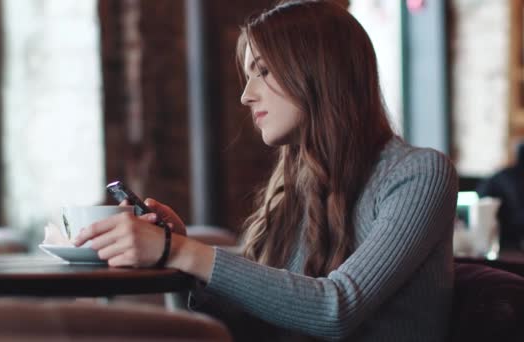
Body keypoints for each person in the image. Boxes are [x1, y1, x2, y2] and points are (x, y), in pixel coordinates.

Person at [74, 1, 458, 340]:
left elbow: (336, 309)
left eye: (263, 72)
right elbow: (244, 327)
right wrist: (176, 255)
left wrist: (183, 252)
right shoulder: (294, 188)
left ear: (318, 69)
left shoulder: (419, 174)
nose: (246, 95)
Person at [476, 141, 524, 251]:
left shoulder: (502, 175)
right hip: (510, 237)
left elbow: (482, 193)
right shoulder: (504, 176)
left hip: (506, 238)